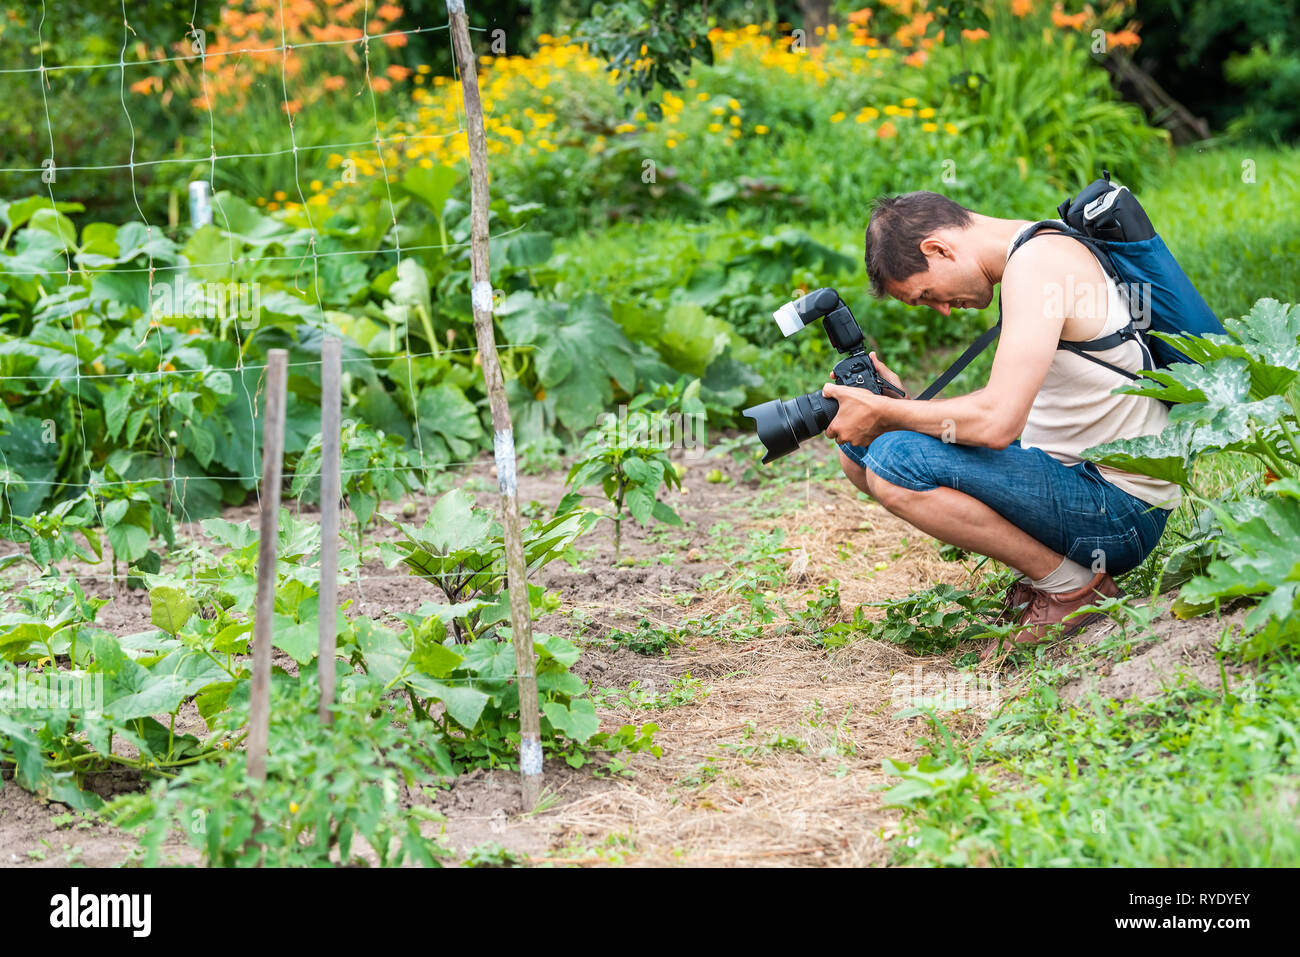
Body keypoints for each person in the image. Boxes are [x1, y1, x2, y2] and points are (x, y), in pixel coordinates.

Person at [824, 191, 1179, 661]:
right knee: (862, 452)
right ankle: (1056, 575)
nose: (943, 309)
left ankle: (1076, 591)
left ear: (938, 249)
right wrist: (896, 409)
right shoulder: (1033, 252)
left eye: (927, 295)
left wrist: (890, 415)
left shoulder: (1038, 267)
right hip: (1080, 485)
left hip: (1121, 511)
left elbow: (997, 423)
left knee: (893, 460)